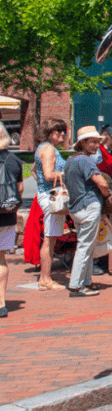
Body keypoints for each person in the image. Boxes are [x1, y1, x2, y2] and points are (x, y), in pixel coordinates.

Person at [63, 127, 112, 297]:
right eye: (93, 142)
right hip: (88, 206)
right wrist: (106, 195)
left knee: (87, 246)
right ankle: (76, 285)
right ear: (83, 143)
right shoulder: (86, 161)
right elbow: (101, 182)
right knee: (85, 247)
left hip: (75, 207)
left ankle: (86, 281)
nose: (97, 145)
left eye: (98, 142)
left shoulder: (70, 160)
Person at [33, 118, 69, 291]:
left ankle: (45, 277)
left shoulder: (44, 148)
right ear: (48, 133)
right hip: (52, 197)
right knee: (50, 238)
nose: (61, 134)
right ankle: (45, 278)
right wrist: (64, 174)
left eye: (63, 130)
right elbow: (48, 175)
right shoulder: (48, 149)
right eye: (57, 131)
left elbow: (34, 170)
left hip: (46, 194)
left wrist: (40, 187)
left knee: (51, 237)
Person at [0, 124, 23, 318]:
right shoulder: (14, 160)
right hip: (6, 215)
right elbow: (20, 189)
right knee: (1, 258)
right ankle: (1, 303)